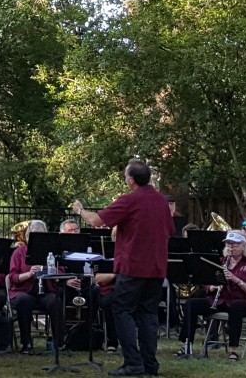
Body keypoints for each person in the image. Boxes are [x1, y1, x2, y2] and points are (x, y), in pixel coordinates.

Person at [73, 159, 173, 377]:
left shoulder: (129, 200)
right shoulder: (161, 202)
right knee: (148, 315)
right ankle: (150, 365)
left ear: (130, 181)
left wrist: (80, 210)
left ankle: (133, 363)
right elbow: (167, 230)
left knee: (121, 309)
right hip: (156, 268)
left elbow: (96, 221)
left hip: (134, 267)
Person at [175, 230, 246, 361]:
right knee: (192, 304)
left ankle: (234, 350)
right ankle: (187, 344)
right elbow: (207, 283)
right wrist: (213, 286)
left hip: (245, 302)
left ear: (243, 246)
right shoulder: (221, 262)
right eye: (228, 244)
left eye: (234, 245)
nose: (230, 248)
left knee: (236, 307)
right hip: (223, 300)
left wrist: (235, 280)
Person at [7, 219, 64, 354]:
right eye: (34, 235)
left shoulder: (52, 253)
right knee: (23, 301)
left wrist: (51, 269)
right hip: (24, 291)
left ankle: (58, 344)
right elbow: (13, 277)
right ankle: (26, 344)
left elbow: (62, 271)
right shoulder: (20, 252)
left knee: (55, 301)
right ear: (28, 236)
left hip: (45, 291)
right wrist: (29, 273)